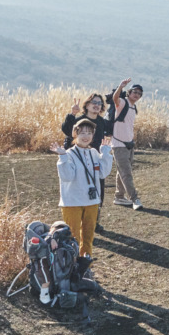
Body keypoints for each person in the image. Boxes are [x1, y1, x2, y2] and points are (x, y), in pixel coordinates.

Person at [49, 119, 112, 258]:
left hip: (92, 201)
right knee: (72, 237)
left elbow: (103, 173)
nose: (86, 136)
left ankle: (85, 263)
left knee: (88, 237)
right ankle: (72, 264)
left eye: (89, 133)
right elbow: (67, 177)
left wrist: (106, 154)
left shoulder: (94, 153)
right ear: (75, 134)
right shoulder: (69, 154)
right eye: (82, 133)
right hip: (72, 202)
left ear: (93, 135)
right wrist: (62, 157)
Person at [62, 93, 113, 222]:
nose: (97, 105)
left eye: (99, 103)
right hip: (79, 159)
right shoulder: (80, 120)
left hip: (96, 159)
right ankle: (79, 219)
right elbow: (67, 130)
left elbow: (112, 129)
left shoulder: (102, 122)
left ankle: (95, 221)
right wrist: (72, 114)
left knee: (99, 188)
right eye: (94, 102)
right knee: (80, 187)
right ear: (87, 105)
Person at [107, 78, 143, 210]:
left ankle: (119, 196)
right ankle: (135, 199)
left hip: (129, 144)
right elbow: (115, 99)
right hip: (118, 144)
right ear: (129, 92)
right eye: (134, 92)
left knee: (121, 171)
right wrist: (120, 87)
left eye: (139, 93)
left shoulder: (133, 107)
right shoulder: (123, 102)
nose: (136, 94)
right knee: (126, 173)